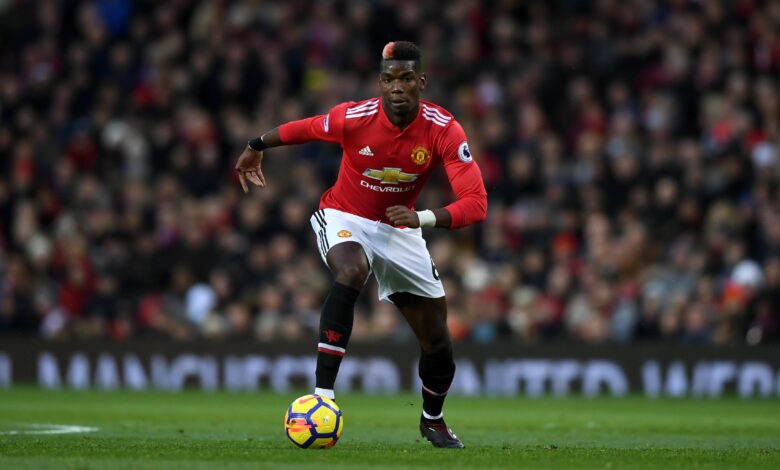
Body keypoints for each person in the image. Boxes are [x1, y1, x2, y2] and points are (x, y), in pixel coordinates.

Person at [234, 41, 487, 448]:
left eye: (407, 78)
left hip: (401, 228)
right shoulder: (354, 117)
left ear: (421, 81)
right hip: (344, 215)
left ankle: (432, 420)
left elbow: (476, 204)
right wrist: (256, 144)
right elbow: (305, 128)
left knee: (437, 340)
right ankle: (322, 397)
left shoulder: (444, 129)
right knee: (352, 270)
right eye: (389, 80)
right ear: (380, 83)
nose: (397, 87)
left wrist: (421, 218)